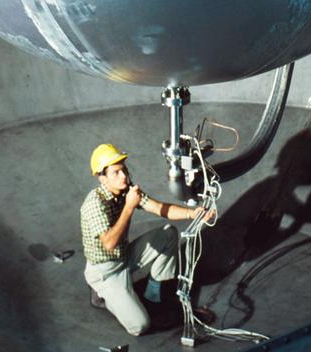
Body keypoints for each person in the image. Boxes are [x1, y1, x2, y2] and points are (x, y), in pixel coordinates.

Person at [81, 142, 214, 337]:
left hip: (124, 256)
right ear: (102, 178)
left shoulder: (127, 190)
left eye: (124, 170)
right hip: (105, 271)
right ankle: (101, 293)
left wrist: (192, 214)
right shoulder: (94, 204)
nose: (124, 176)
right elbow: (109, 244)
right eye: (116, 172)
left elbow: (159, 208)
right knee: (140, 326)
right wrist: (129, 207)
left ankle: (154, 293)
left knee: (168, 234)